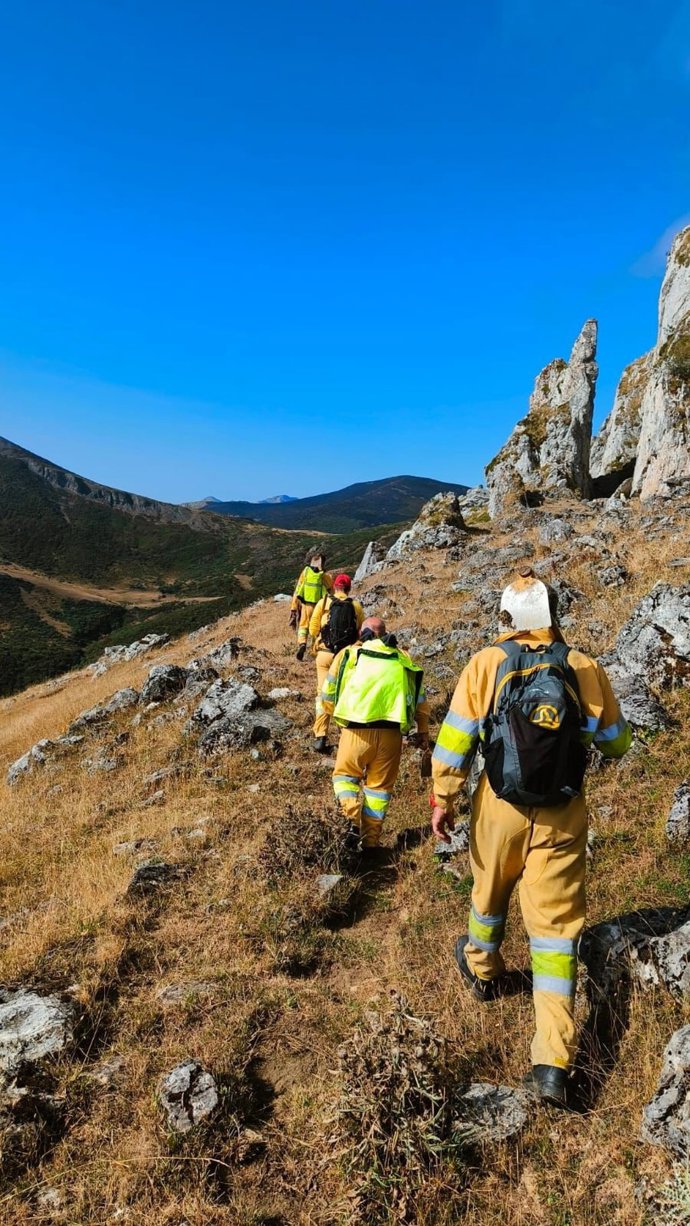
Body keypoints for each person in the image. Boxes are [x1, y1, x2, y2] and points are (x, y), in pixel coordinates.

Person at [430, 569, 632, 1107]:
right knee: (555, 935)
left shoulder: (486, 663)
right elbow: (616, 744)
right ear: (553, 614)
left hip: (499, 807)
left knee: (488, 896)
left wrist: (442, 797)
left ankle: (484, 968)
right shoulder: (582, 665)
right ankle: (553, 1062)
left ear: (508, 617)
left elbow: (455, 740)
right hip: (563, 813)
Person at [321, 617, 430, 851]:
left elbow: (328, 694)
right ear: (385, 634)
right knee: (379, 791)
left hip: (355, 731)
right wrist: (422, 730)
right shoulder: (402, 657)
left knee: (344, 778)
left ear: (363, 634)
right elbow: (420, 699)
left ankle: (350, 821)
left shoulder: (349, 655)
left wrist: (339, 719)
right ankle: (370, 843)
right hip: (391, 734)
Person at [309, 573, 365, 753]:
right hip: (345, 657)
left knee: (322, 695)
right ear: (348, 588)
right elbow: (361, 632)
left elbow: (312, 629)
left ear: (334, 586)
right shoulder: (355, 605)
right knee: (344, 693)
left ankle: (320, 735)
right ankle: (346, 735)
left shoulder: (324, 602)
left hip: (325, 655)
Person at [289, 548, 333, 661]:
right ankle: (314, 652)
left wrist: (293, 607)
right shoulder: (324, 575)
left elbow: (298, 589)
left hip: (305, 605)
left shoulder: (305, 572)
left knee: (303, 627)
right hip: (319, 606)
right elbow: (331, 590)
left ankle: (302, 644)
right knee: (316, 628)